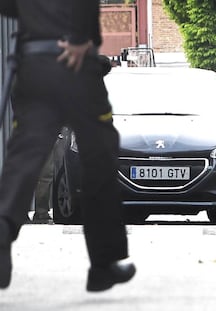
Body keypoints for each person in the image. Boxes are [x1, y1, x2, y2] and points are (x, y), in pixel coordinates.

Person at [0, 0, 135, 291]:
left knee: (26, 152)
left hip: (33, 63)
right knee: (100, 152)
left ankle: (2, 229)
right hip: (75, 61)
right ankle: (104, 262)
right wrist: (77, 37)